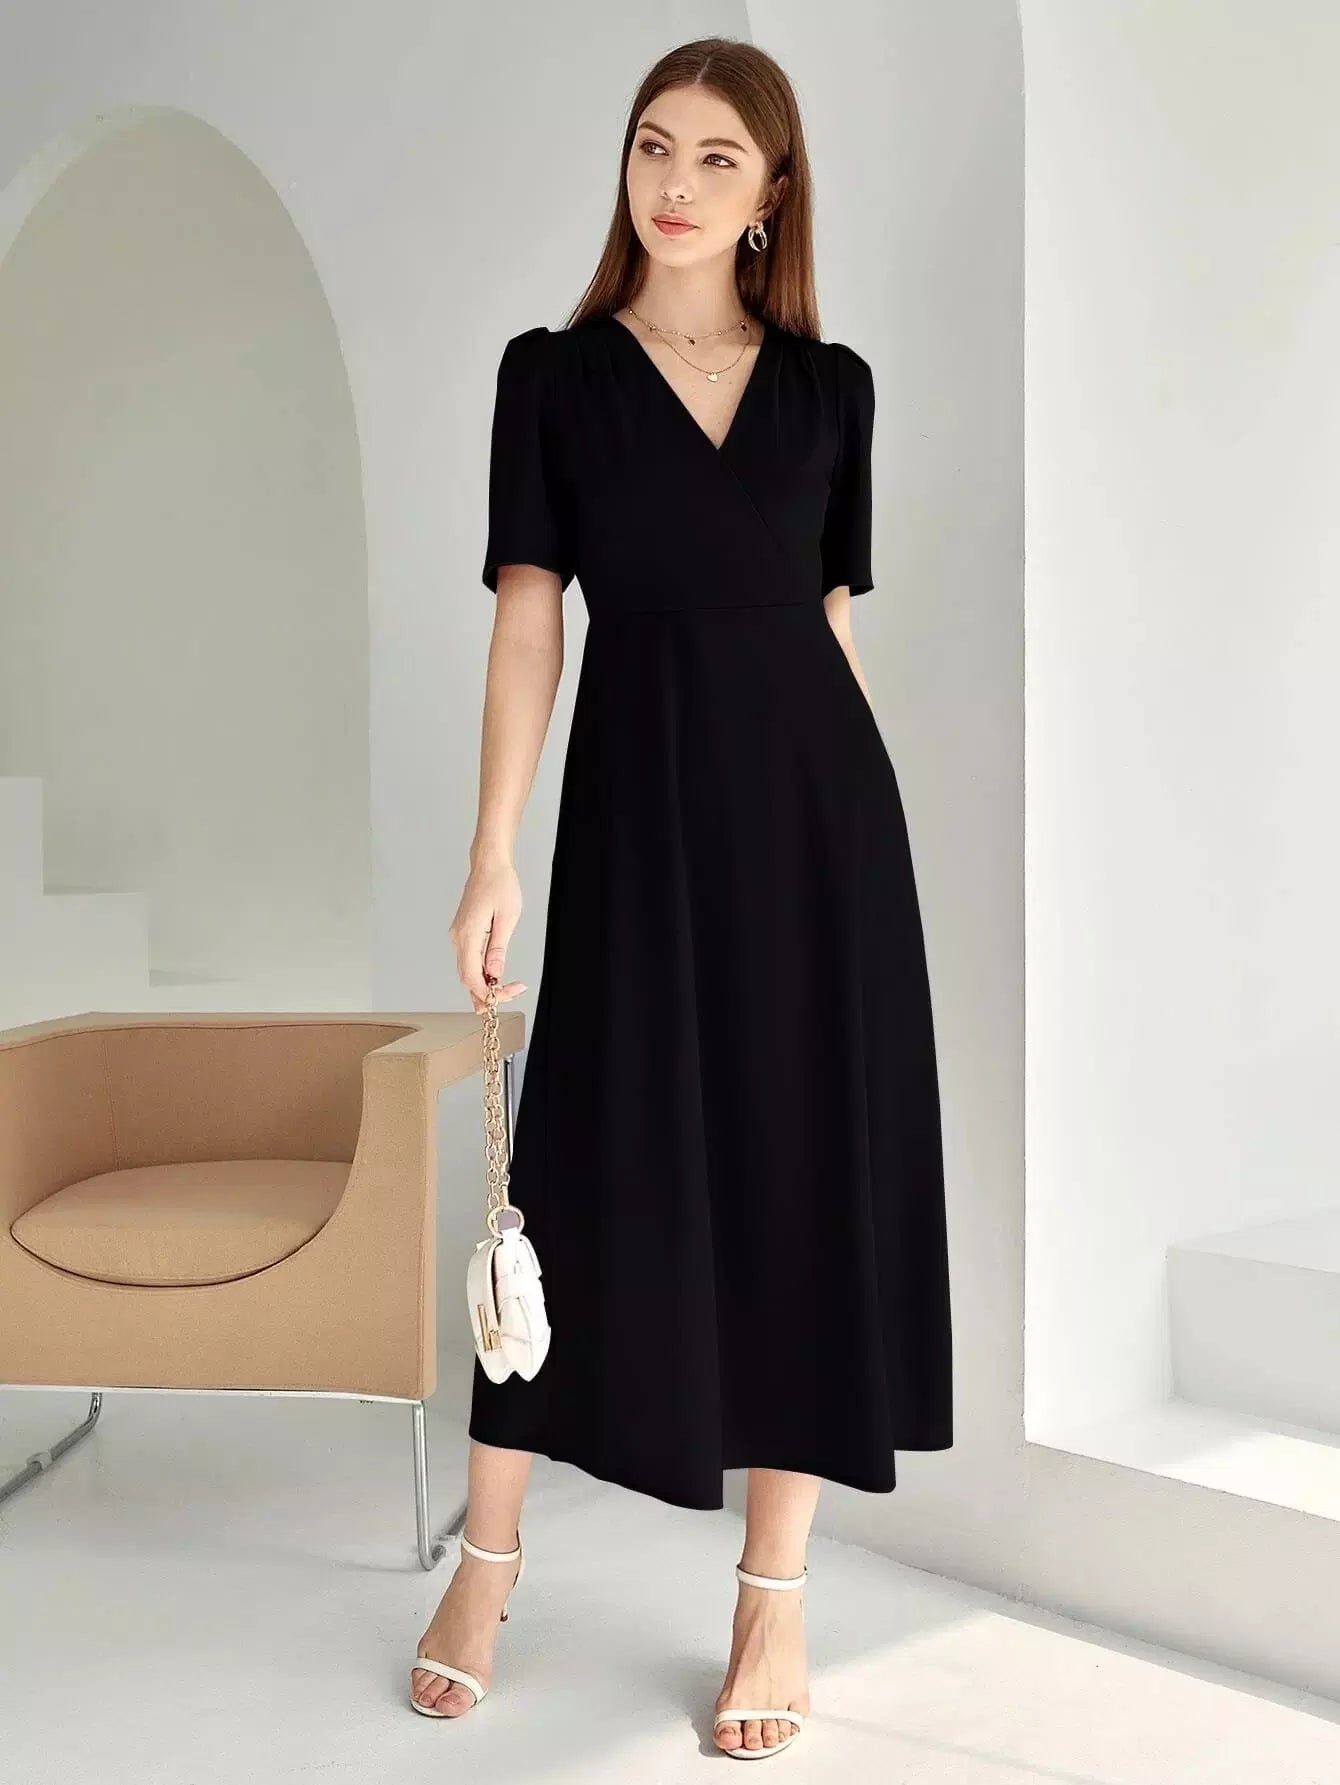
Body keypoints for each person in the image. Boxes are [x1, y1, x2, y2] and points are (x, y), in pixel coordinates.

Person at [412, 34, 953, 1760]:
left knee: (801, 1184)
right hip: (639, 830)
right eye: (656, 144)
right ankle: (487, 1561)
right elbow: (531, 625)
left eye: (721, 156)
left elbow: (828, 632)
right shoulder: (556, 378)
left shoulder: (831, 390)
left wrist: (866, 863)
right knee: (573, 1176)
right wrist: (494, 848)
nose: (678, 179)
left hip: (820, 836)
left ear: (772, 192)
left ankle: (772, 1594)